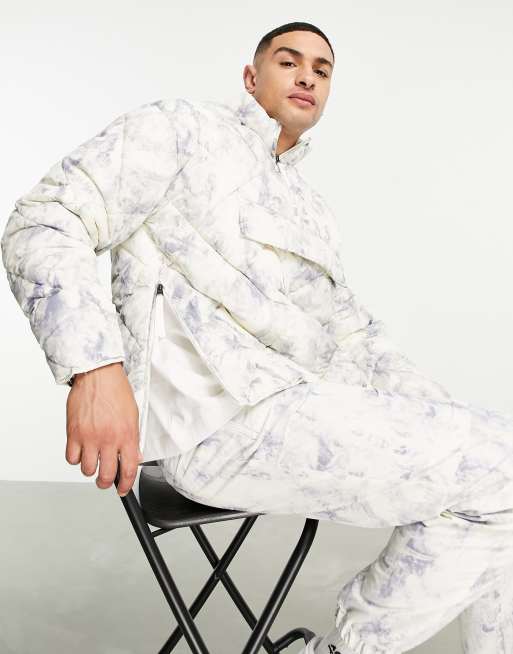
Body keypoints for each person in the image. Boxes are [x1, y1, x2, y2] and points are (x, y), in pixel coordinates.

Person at [2, 19, 513, 654]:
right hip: (210, 427)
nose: (306, 77)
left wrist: (447, 422)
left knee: (498, 474)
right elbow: (47, 220)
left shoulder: (310, 210)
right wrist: (94, 366)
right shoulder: (182, 130)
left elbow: (354, 338)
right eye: (288, 61)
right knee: (501, 470)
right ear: (251, 77)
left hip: (293, 409)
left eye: (321, 70)